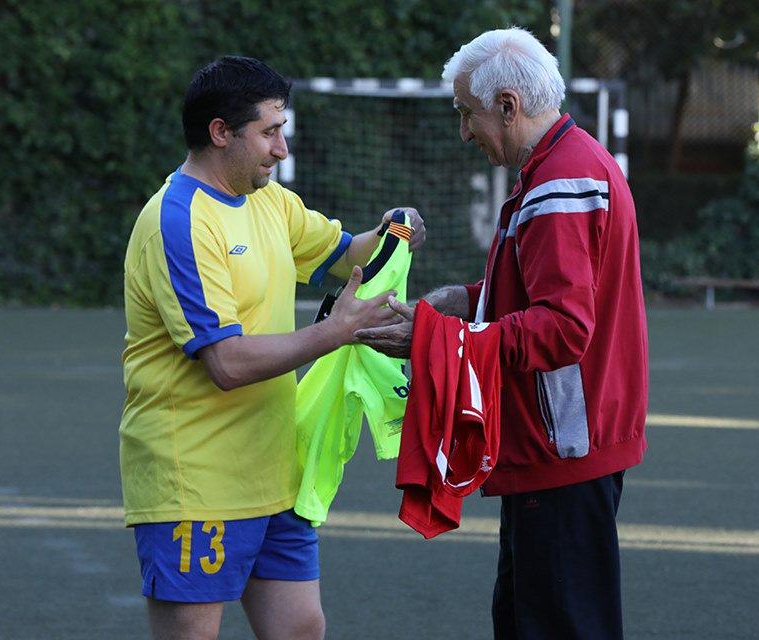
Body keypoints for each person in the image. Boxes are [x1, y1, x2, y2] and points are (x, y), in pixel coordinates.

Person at [118, 55, 425, 640]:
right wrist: (333, 332)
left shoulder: (271, 202)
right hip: (197, 482)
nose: (281, 148)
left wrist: (399, 229)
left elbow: (346, 255)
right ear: (220, 132)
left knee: (302, 630)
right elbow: (226, 364)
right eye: (269, 132)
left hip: (276, 476)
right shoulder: (177, 221)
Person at [356, 28, 648, 640]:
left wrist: (437, 341)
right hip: (562, 445)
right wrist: (457, 303)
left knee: (554, 626)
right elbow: (537, 294)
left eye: (468, 113)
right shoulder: (562, 165)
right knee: (527, 619)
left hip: (562, 448)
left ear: (509, 105)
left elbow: (563, 330)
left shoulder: (559, 183)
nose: (465, 131)